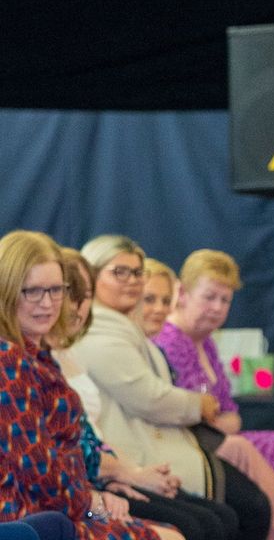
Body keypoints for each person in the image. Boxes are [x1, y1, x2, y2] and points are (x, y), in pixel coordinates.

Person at [70, 235, 272, 540]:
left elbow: (222, 406)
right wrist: (198, 405)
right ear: (93, 275)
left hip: (142, 457)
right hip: (132, 460)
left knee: (241, 506)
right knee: (227, 515)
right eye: (119, 272)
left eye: (138, 273)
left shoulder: (125, 331)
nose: (132, 282)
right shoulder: (98, 334)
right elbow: (150, 398)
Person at [151, 249, 274, 540]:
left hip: (214, 437)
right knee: (271, 447)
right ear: (182, 293)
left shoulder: (205, 343)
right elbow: (188, 414)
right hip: (187, 443)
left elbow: (229, 411)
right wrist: (212, 417)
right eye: (209, 297)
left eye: (225, 300)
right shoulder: (169, 341)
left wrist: (215, 417)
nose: (217, 307)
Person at [0, 230, 159, 540]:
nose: (47, 303)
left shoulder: (37, 353)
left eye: (56, 290)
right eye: (32, 291)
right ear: (6, 292)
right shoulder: (9, 360)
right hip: (28, 517)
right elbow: (38, 470)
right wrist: (92, 504)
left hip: (59, 505)